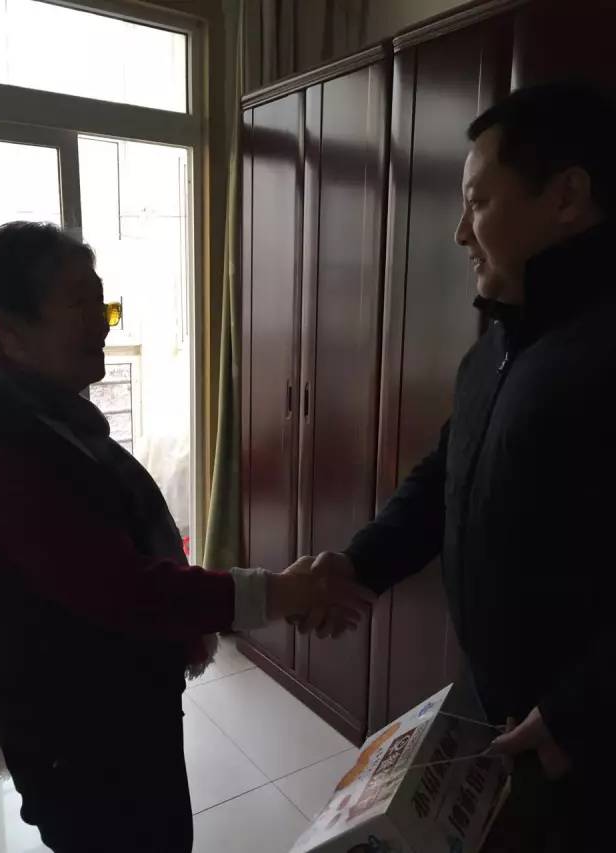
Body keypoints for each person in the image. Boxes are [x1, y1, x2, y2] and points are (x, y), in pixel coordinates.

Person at [0, 221, 370, 853]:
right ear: (9, 327)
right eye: (79, 303)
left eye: (103, 302)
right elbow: (121, 587)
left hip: (118, 710)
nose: (103, 324)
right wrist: (280, 593)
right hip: (78, 734)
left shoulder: (48, 417)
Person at [293, 82, 616, 852]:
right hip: (501, 717)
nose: (460, 232)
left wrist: (577, 711)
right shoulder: (501, 344)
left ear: (566, 197)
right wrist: (358, 565)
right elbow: (447, 477)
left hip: (583, 743)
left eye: (478, 202)